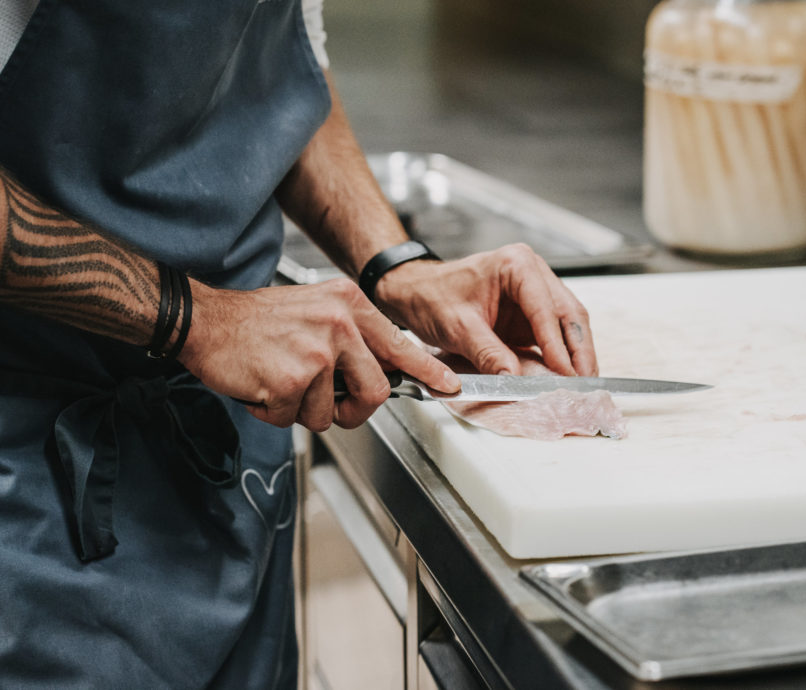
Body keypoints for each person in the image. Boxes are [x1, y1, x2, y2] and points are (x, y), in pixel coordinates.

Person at [0, 0, 597, 687]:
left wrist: (395, 265)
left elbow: (280, 77)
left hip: (232, 470)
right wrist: (201, 321)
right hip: (34, 492)